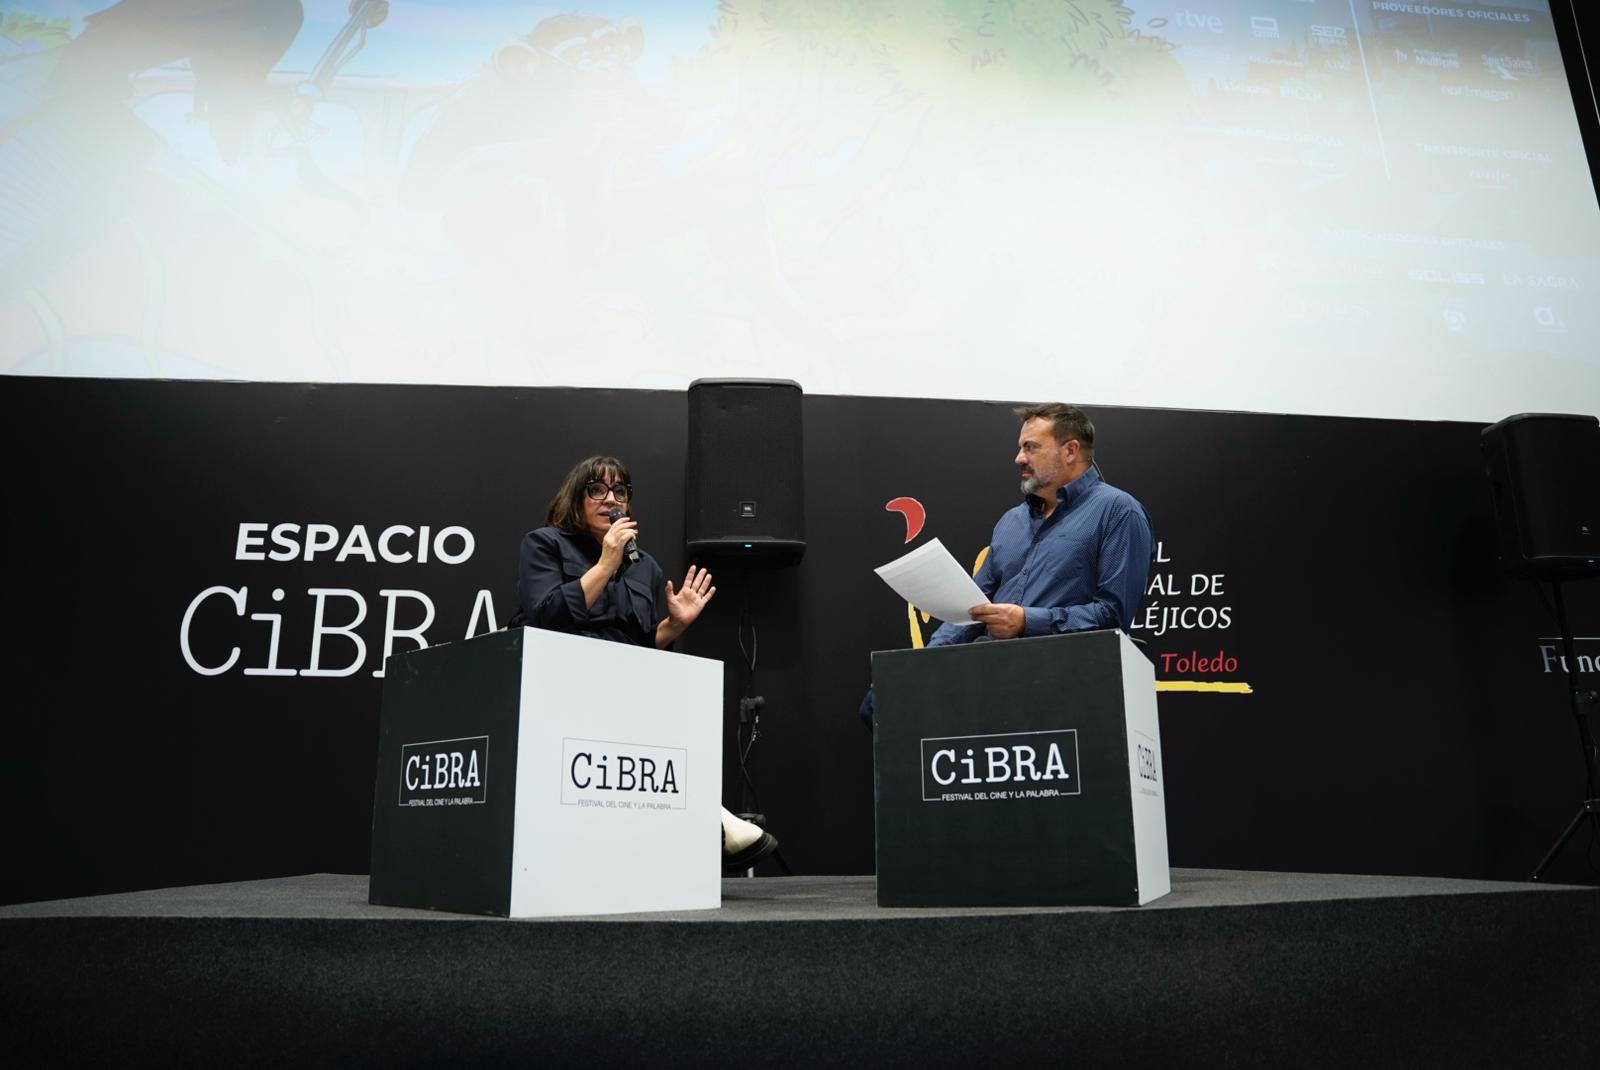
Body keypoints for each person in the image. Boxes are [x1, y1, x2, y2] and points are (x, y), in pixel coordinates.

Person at [512, 454, 779, 872]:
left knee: (675, 700)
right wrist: (605, 563)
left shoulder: (646, 567)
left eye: (620, 492)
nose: (610, 500)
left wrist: (674, 624)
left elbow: (637, 643)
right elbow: (545, 617)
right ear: (575, 499)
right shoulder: (545, 544)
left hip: (621, 693)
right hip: (560, 687)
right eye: (597, 490)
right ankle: (708, 818)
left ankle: (697, 817)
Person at [861, 404, 1153, 725]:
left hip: (1069, 683)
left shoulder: (1118, 512)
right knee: (880, 702)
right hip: (996, 677)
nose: (1019, 458)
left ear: (1071, 451)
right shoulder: (1011, 522)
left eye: (1031, 447)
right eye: (1019, 447)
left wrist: (1027, 621)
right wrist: (921, 664)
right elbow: (972, 609)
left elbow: (1113, 615)